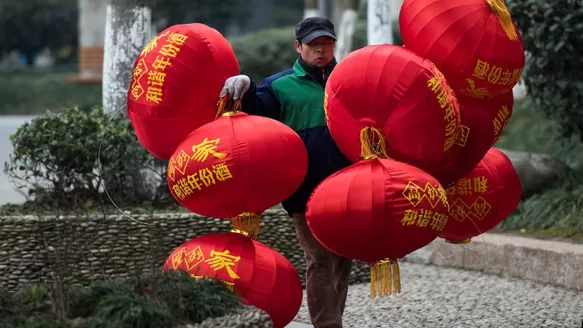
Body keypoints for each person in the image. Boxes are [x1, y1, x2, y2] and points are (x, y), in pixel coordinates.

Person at [220, 16, 353, 328]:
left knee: (343, 258)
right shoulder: (281, 86)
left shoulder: (347, 80)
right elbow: (256, 113)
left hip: (349, 187)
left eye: (326, 44)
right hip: (305, 192)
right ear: (298, 47)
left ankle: (335, 318)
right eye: (313, 45)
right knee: (319, 259)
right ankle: (328, 324)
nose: (321, 50)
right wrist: (246, 87)